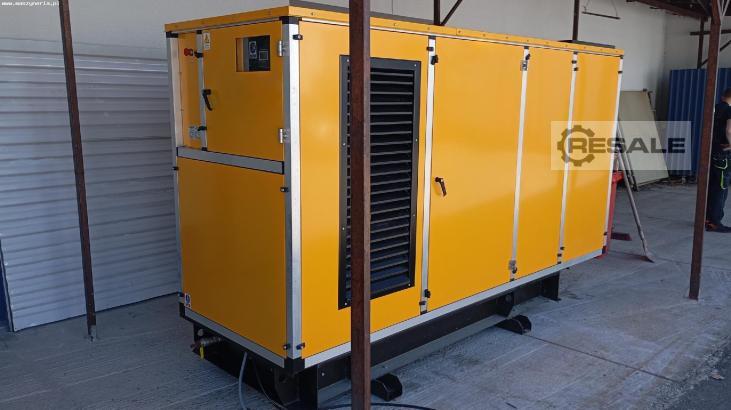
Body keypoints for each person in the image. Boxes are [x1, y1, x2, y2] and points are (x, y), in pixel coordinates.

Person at [706, 88, 731, 232]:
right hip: (723, 153)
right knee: (720, 189)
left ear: (722, 96)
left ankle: (707, 218)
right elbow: (729, 130)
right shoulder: (729, 110)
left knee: (711, 187)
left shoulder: (714, 108)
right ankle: (715, 222)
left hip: (711, 150)